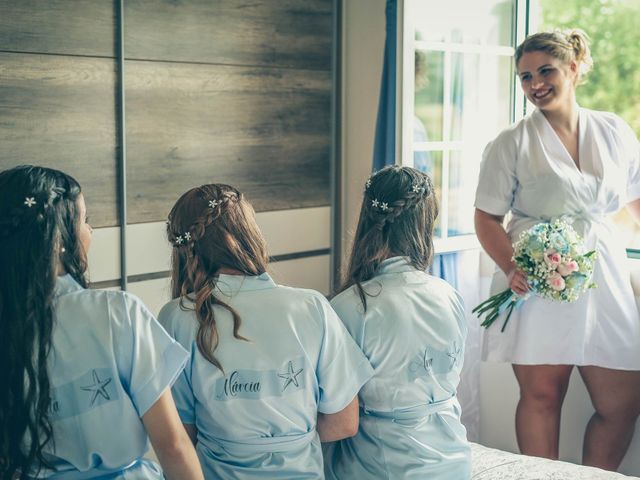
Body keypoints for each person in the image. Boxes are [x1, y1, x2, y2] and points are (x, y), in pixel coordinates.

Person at [474, 29, 640, 471]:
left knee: (623, 403)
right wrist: (511, 267)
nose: (535, 84)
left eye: (545, 71)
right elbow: (486, 218)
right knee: (543, 396)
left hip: (605, 275)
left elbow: (637, 200)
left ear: (573, 67)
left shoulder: (614, 130)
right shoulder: (511, 143)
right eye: (525, 77)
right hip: (536, 278)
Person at [158, 183, 374, 479]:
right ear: (249, 235)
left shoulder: (177, 317)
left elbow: (182, 434)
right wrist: (288, 442)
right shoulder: (312, 306)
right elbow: (344, 421)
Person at [0, 166, 204, 479]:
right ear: (58, 240)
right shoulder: (116, 312)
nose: (91, 231)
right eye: (85, 220)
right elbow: (173, 446)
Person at [323, 165, 471, 479]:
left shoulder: (349, 306)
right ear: (424, 225)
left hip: (383, 466)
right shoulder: (449, 294)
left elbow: (335, 413)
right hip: (454, 461)